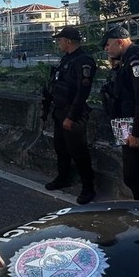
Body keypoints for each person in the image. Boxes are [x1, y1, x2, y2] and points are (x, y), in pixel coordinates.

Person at [102, 25, 139, 201]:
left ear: (119, 42)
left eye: (108, 45)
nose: (106, 49)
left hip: (134, 127)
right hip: (126, 125)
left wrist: (136, 133)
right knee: (134, 173)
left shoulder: (137, 61)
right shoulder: (126, 60)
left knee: (135, 174)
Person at [44, 26, 97, 204]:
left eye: (60, 40)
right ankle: (63, 178)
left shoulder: (83, 61)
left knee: (79, 152)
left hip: (74, 114)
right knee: (61, 149)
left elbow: (82, 93)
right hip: (60, 111)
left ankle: (88, 188)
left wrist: (71, 117)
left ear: (68, 41)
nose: (58, 43)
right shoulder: (66, 59)